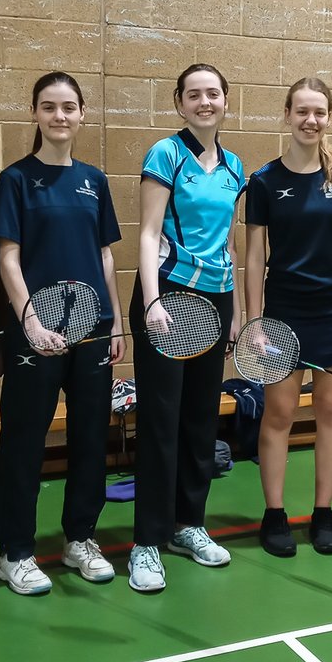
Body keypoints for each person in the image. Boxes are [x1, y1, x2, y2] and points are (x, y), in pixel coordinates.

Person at [0, 72, 125, 594]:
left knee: (91, 437)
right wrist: (30, 320)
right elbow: (8, 256)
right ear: (35, 114)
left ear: (82, 114)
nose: (60, 116)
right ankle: (15, 551)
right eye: (49, 107)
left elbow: (105, 255)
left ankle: (79, 539)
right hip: (35, 332)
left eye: (69, 107)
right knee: (24, 440)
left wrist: (113, 320)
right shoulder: (16, 179)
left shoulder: (94, 179)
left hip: (91, 331)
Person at [128, 63, 244, 592]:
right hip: (169, 298)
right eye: (194, 95)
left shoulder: (235, 166)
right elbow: (149, 233)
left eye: (213, 94)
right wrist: (152, 302)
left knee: (201, 418)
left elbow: (231, 242)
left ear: (225, 102)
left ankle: (188, 525)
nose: (205, 102)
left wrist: (238, 308)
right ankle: (147, 541)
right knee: (161, 419)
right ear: (179, 103)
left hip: (217, 299)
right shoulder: (165, 154)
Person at [244, 78, 332, 557]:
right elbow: (255, 257)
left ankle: (323, 513)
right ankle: (274, 514)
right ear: (287, 115)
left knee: (331, 411)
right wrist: (255, 321)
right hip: (284, 314)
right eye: (301, 111)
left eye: (319, 112)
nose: (310, 120)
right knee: (278, 413)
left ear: (329, 117)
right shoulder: (264, 181)